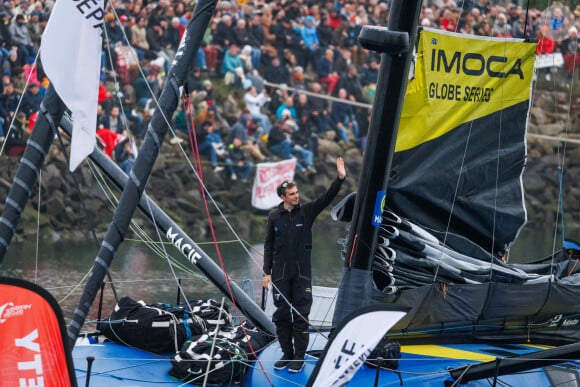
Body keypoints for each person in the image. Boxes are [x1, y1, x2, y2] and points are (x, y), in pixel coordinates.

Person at [262, 157, 347, 373]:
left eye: (297, 192)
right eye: (291, 194)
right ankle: (287, 353)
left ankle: (299, 357)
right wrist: (266, 272)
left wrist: (340, 179)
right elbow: (268, 245)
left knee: (301, 315)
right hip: (280, 275)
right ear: (283, 197)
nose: (296, 196)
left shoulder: (306, 211)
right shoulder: (274, 217)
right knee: (281, 315)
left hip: (302, 275)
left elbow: (327, 198)